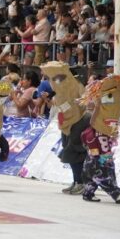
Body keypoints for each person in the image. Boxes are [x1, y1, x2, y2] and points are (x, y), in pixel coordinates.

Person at [80, 74, 120, 204]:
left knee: (94, 162)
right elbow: (91, 112)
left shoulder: (117, 99)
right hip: (98, 133)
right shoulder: (101, 98)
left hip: (104, 132)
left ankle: (88, 191)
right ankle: (114, 192)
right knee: (104, 162)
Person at [41, 62, 88, 195]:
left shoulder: (78, 86)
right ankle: (76, 181)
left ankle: (81, 182)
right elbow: (56, 106)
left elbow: (85, 103)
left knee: (76, 154)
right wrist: (47, 100)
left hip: (77, 124)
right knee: (70, 155)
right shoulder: (59, 90)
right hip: (65, 125)